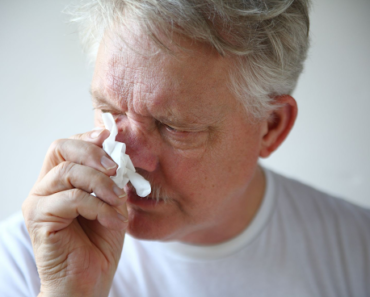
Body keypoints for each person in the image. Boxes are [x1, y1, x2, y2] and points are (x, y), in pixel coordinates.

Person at [0, 0, 369, 296]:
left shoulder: (357, 256)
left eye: (175, 127)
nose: (125, 158)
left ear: (270, 127)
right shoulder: (29, 257)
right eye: (110, 112)